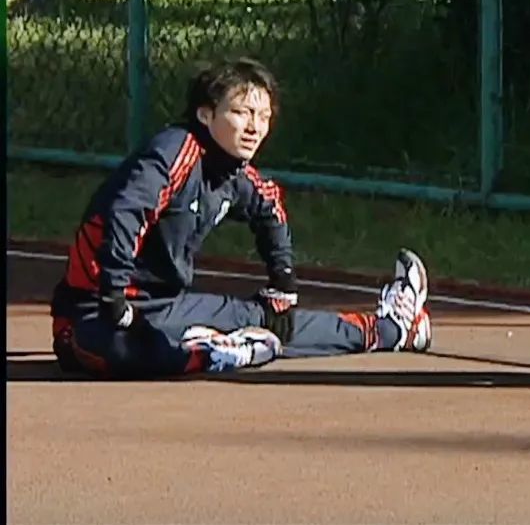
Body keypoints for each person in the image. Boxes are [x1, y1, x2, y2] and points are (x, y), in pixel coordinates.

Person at [50, 57, 431, 378]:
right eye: (241, 113)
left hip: (167, 305)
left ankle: (394, 328)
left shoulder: (235, 172)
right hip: (95, 309)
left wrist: (282, 286)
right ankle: (219, 352)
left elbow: (271, 210)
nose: (255, 127)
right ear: (205, 114)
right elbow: (125, 214)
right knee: (119, 353)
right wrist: (114, 296)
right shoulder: (172, 154)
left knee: (272, 321)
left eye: (264, 116)